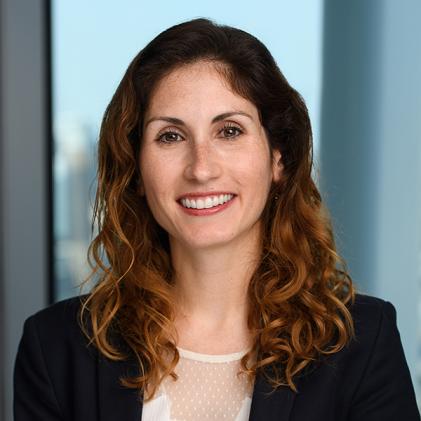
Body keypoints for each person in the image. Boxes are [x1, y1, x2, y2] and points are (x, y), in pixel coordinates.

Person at [14, 17, 420, 421]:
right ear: (136, 169)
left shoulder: (362, 342)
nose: (201, 168)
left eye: (229, 131)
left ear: (278, 156)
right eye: (170, 136)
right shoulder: (55, 347)